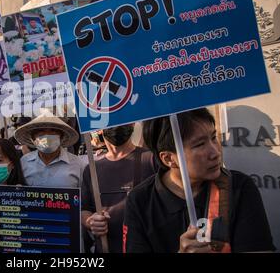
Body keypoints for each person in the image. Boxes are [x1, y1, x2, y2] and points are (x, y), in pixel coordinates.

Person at [123, 108, 276, 253]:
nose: (215, 152)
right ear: (169, 158)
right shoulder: (139, 201)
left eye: (213, 137)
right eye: (200, 144)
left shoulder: (238, 187)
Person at [82, 124, 156, 253]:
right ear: (99, 128)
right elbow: (84, 209)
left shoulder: (151, 160)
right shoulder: (92, 169)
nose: (116, 125)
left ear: (133, 124)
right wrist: (91, 222)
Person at [14, 114, 86, 188]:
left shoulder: (78, 164)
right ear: (33, 139)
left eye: (53, 131)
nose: (47, 135)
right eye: (41, 131)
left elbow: (84, 194)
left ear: (61, 137)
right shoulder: (24, 162)